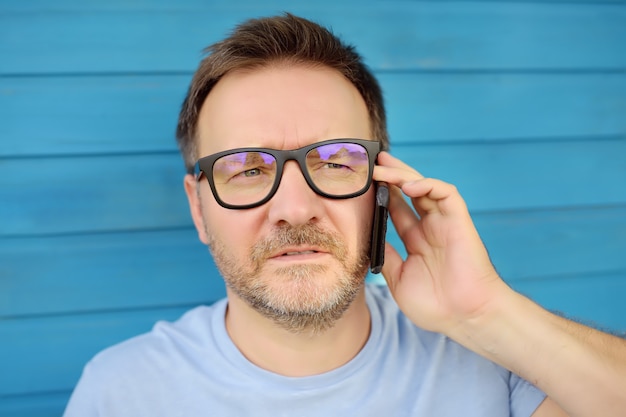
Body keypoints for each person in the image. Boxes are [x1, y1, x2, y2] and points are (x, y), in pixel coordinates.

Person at [63, 13, 626, 417]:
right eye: (248, 169)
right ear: (199, 207)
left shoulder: (490, 355)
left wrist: (484, 312)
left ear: (383, 186)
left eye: (333, 162)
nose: (294, 208)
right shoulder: (122, 392)